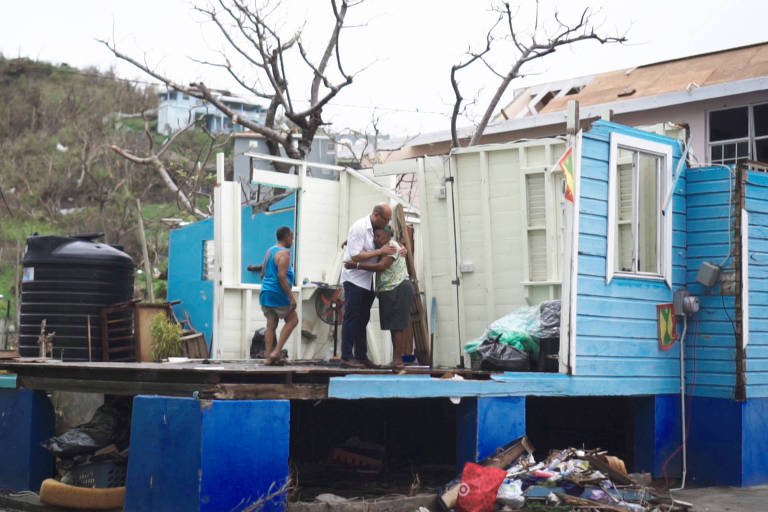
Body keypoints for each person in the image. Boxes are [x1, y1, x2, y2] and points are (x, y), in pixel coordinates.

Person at [345, 225, 413, 369]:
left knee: (397, 326)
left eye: (378, 236)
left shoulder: (391, 247)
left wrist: (357, 265)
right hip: (391, 289)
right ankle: (396, 360)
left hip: (398, 287)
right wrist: (348, 242)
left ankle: (398, 361)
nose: (375, 239)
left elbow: (382, 266)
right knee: (393, 326)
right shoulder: (386, 247)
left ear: (387, 236)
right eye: (374, 236)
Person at [339, 203, 398, 368]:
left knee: (363, 318)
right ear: (376, 215)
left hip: (367, 281)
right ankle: (346, 356)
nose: (387, 222)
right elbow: (356, 255)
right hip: (354, 279)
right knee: (351, 316)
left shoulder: (377, 229)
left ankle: (361, 355)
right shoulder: (359, 227)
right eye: (386, 219)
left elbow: (385, 241)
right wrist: (380, 252)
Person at [258, 226, 298, 365]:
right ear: (286, 237)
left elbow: (262, 272)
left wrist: (267, 286)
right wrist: (291, 297)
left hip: (266, 293)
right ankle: (277, 351)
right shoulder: (284, 254)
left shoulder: (270, 251)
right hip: (278, 293)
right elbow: (281, 276)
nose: (292, 240)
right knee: (293, 320)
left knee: (271, 325)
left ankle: (269, 358)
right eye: (292, 237)